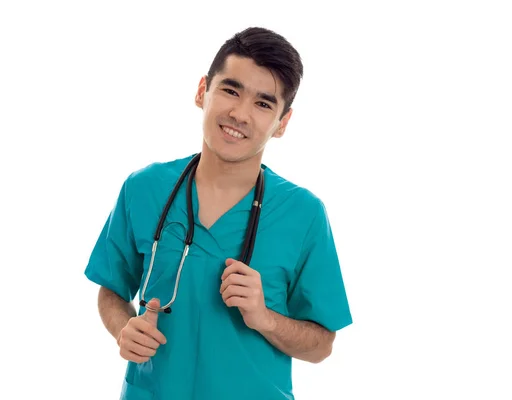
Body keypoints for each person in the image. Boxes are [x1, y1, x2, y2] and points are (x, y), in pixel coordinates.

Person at [84, 26, 352, 400]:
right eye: (230, 90)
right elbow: (112, 287)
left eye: (263, 103)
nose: (239, 113)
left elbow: (322, 344)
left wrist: (265, 318)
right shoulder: (143, 188)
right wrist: (122, 329)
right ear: (201, 92)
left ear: (283, 123)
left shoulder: (304, 214)